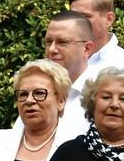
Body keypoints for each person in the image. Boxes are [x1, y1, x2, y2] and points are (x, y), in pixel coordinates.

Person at [40, 10, 97, 140]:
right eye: (49, 42)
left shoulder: (102, 96)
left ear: (87, 49)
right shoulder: (35, 92)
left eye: (62, 42)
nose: (52, 50)